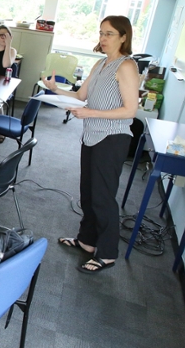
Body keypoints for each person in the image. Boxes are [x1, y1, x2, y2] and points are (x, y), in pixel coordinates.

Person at [43, 15, 139, 274]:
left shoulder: (126, 66)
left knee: (103, 198)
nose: (103, 38)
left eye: (109, 34)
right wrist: (55, 89)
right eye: (101, 33)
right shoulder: (100, 64)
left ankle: (107, 253)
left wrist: (90, 113)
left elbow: (130, 110)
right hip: (92, 135)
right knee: (88, 192)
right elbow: (80, 96)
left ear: (123, 37)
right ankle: (87, 241)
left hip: (113, 138)